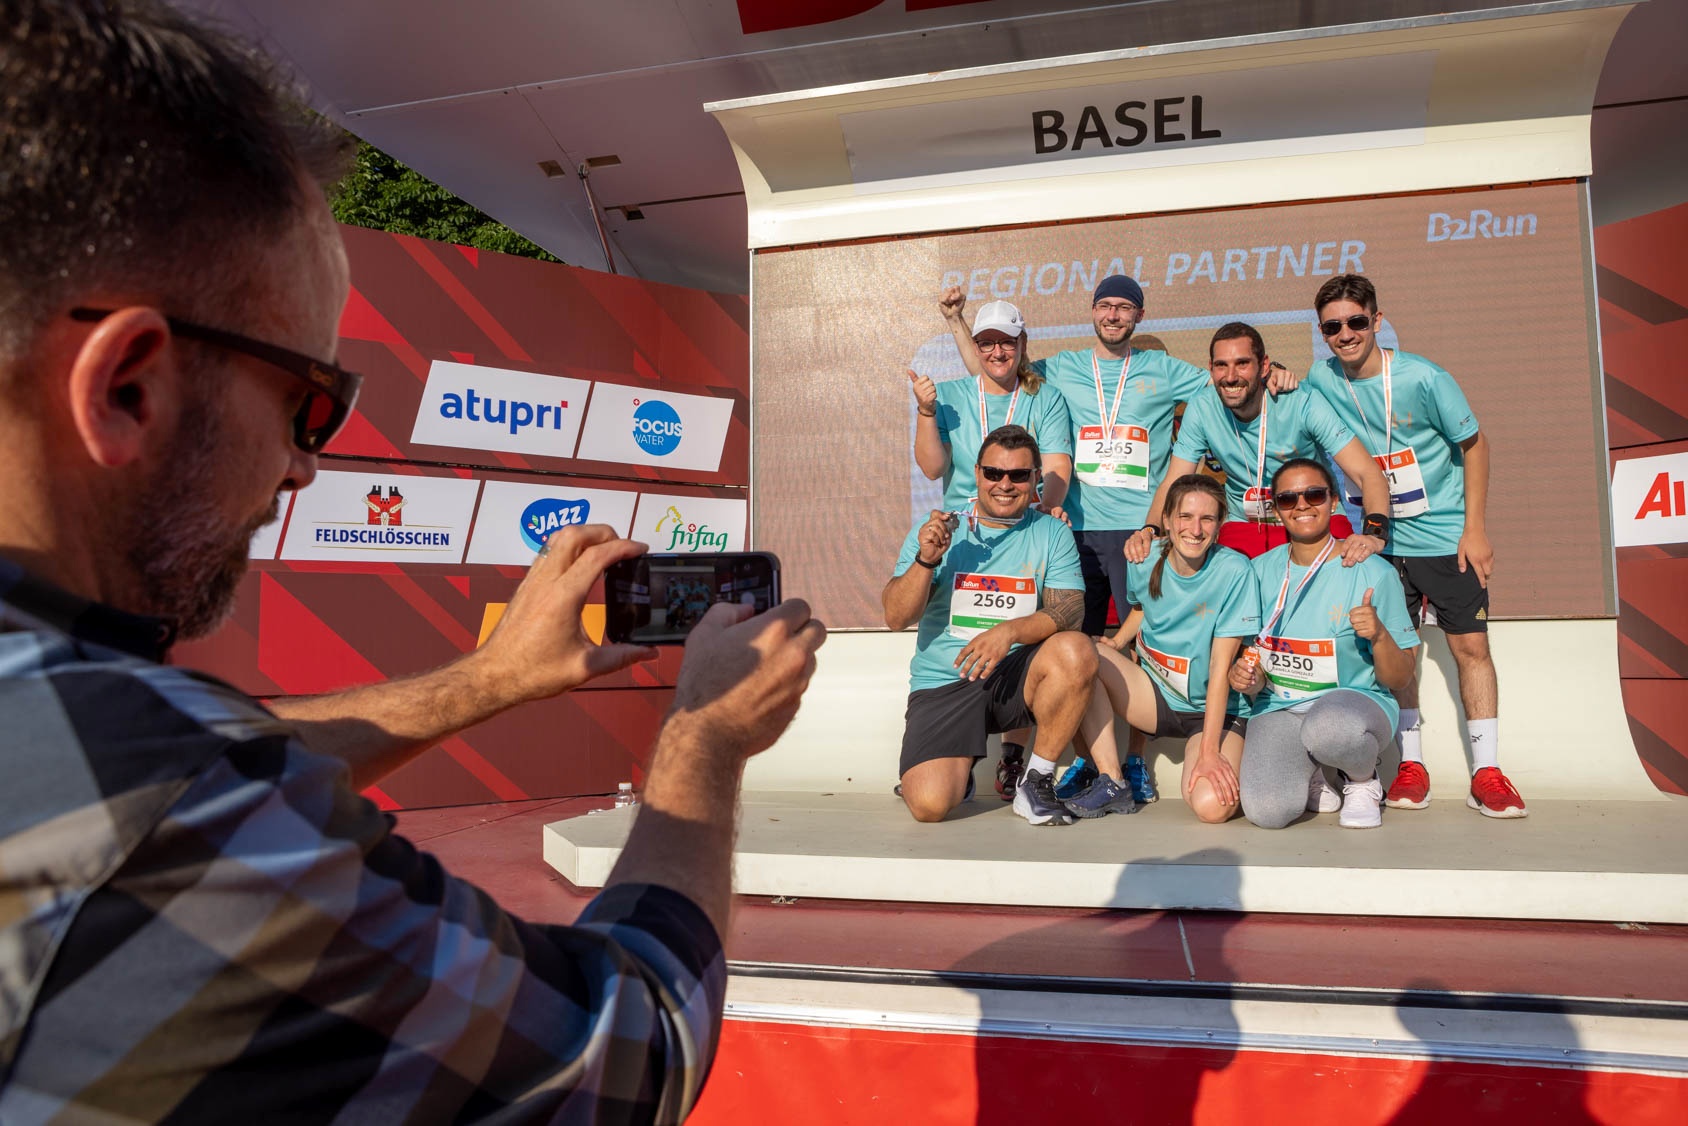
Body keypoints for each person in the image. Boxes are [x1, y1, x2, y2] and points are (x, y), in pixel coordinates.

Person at [0, 3, 826, 1120]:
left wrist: (489, 681)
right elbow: (626, 1051)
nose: (304, 469)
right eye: (311, 402)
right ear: (125, 386)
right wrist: (701, 743)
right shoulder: (159, 799)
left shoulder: (106, 748)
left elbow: (175, 763)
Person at [943, 280, 1298, 807]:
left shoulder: (1165, 369)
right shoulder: (1062, 367)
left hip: (1139, 534)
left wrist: (1277, 372)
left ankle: (1132, 764)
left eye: (1124, 307)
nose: (1113, 315)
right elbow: (995, 368)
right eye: (1105, 306)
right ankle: (1084, 763)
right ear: (1092, 311)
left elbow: (1229, 380)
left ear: (1139, 315)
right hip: (1077, 529)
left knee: (1135, 640)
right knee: (1071, 646)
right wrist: (956, 323)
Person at [1302, 275, 1524, 819]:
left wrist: (1475, 529)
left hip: (1444, 538)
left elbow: (1475, 447)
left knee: (1470, 649)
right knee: (1397, 654)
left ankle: (1487, 773)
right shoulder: (1320, 378)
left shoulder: (1425, 378)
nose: (1345, 334)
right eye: (1332, 327)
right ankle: (1411, 765)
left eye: (1357, 322)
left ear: (1377, 321)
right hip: (1376, 544)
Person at [885, 425, 1094, 827]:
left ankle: (1036, 782)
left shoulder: (1051, 531)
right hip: (947, 680)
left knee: (1076, 647)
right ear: (977, 473)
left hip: (1014, 677)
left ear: (1036, 479)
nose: (1005, 484)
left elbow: (1070, 612)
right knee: (929, 806)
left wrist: (1008, 632)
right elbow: (895, 618)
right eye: (994, 473)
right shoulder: (939, 529)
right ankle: (955, 771)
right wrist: (926, 561)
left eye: (1019, 475)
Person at [919, 296, 1073, 800]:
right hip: (966, 535)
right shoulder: (952, 395)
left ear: (1022, 344)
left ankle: (1011, 758)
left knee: (1020, 636)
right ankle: (950, 753)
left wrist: (1044, 511)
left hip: (1021, 530)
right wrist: (925, 411)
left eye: (1007, 342)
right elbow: (932, 467)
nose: (997, 351)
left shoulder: (1044, 396)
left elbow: (1057, 467)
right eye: (986, 343)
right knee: (956, 632)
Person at [1229, 460, 1420, 830]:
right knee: (1267, 812)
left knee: (1329, 727)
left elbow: (1400, 678)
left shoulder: (1373, 572)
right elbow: (1255, 663)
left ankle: (1362, 781)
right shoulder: (1257, 572)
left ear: (1334, 502)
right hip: (1280, 707)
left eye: (1314, 494)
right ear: (1275, 510)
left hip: (1352, 708)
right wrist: (1247, 679)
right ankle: (1313, 774)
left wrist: (1379, 635)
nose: (1302, 505)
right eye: (1288, 499)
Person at [1064, 475, 1260, 822]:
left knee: (1212, 808)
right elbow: (1143, 608)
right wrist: (1117, 642)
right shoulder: (1143, 558)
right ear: (1166, 520)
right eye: (1185, 517)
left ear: (1220, 524)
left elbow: (1220, 668)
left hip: (1212, 710)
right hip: (1157, 699)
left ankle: (1219, 756)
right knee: (1080, 650)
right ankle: (1112, 780)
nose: (1195, 530)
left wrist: (1209, 753)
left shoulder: (1234, 570)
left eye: (1207, 519)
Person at [1126, 321, 1392, 563]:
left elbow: (1367, 472)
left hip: (1310, 513)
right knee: (1223, 579)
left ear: (1264, 366)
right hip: (1246, 523)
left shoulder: (1302, 402)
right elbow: (1174, 481)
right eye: (1221, 365)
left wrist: (1375, 533)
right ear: (1211, 368)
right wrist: (1149, 530)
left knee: (1348, 570)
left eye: (1242, 363)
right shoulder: (1202, 407)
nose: (1231, 376)